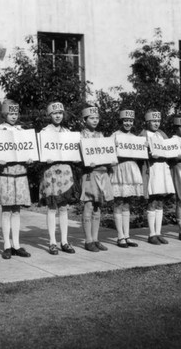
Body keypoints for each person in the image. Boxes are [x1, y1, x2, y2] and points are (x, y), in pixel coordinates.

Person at [0, 99, 32, 259]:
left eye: (16, 113)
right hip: (6, 174)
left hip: (20, 174)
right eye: (10, 113)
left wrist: (30, 157)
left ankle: (16, 244)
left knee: (16, 210)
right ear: (4, 114)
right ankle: (6, 245)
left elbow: (27, 149)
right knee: (7, 210)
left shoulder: (22, 131)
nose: (13, 116)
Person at [39, 102, 78, 255]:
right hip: (51, 172)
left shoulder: (68, 132)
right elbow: (41, 152)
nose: (58, 116)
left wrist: (75, 157)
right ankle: (52, 242)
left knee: (63, 207)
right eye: (55, 113)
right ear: (49, 115)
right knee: (52, 207)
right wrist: (45, 158)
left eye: (60, 113)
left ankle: (64, 241)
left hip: (65, 172)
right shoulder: (44, 132)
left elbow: (73, 151)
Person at [139, 110, 176, 245]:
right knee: (152, 201)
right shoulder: (143, 135)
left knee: (160, 201)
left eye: (158, 121)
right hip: (152, 169)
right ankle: (151, 234)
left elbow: (170, 149)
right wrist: (148, 153)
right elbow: (138, 153)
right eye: (153, 121)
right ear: (147, 122)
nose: (156, 123)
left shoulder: (162, 135)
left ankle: (158, 232)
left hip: (163, 168)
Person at [79, 105, 114, 252]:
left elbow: (106, 153)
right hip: (89, 174)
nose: (94, 120)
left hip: (102, 172)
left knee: (98, 206)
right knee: (88, 205)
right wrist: (85, 161)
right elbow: (77, 157)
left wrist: (111, 162)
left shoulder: (101, 135)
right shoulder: (81, 136)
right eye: (91, 118)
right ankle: (88, 240)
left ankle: (95, 238)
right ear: (85, 119)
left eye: (96, 118)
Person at [110, 109, 143, 248]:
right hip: (119, 168)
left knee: (127, 202)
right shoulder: (115, 136)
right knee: (118, 201)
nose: (128, 123)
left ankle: (127, 235)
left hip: (130, 168)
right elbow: (109, 152)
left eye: (130, 121)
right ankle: (120, 236)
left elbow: (140, 153)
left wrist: (144, 147)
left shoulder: (135, 138)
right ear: (121, 121)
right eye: (125, 120)